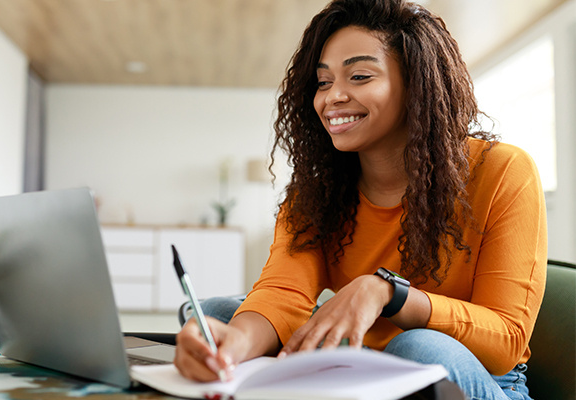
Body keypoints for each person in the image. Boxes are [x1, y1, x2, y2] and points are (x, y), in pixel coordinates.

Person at [174, 0, 547, 399]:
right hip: (363, 364)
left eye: (360, 76)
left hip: (479, 378)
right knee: (218, 315)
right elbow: (283, 293)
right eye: (323, 82)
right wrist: (231, 348)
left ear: (416, 82)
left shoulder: (503, 170)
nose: (333, 97)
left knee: (417, 347)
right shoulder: (317, 194)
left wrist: (389, 293)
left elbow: (506, 340)